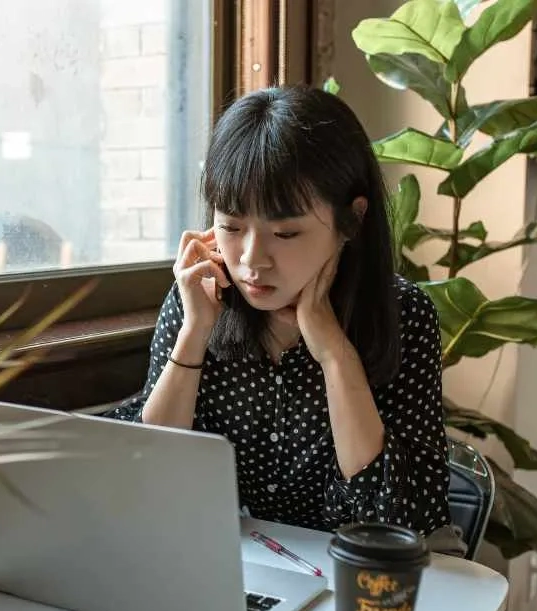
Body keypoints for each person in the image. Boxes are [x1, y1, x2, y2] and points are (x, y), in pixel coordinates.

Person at [108, 85, 454, 540]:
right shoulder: (200, 298)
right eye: (231, 226)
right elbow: (146, 482)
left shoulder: (402, 315)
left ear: (352, 219)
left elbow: (398, 523)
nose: (252, 259)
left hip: (366, 567)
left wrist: (334, 354)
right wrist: (193, 333)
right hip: (248, 566)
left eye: (285, 234)